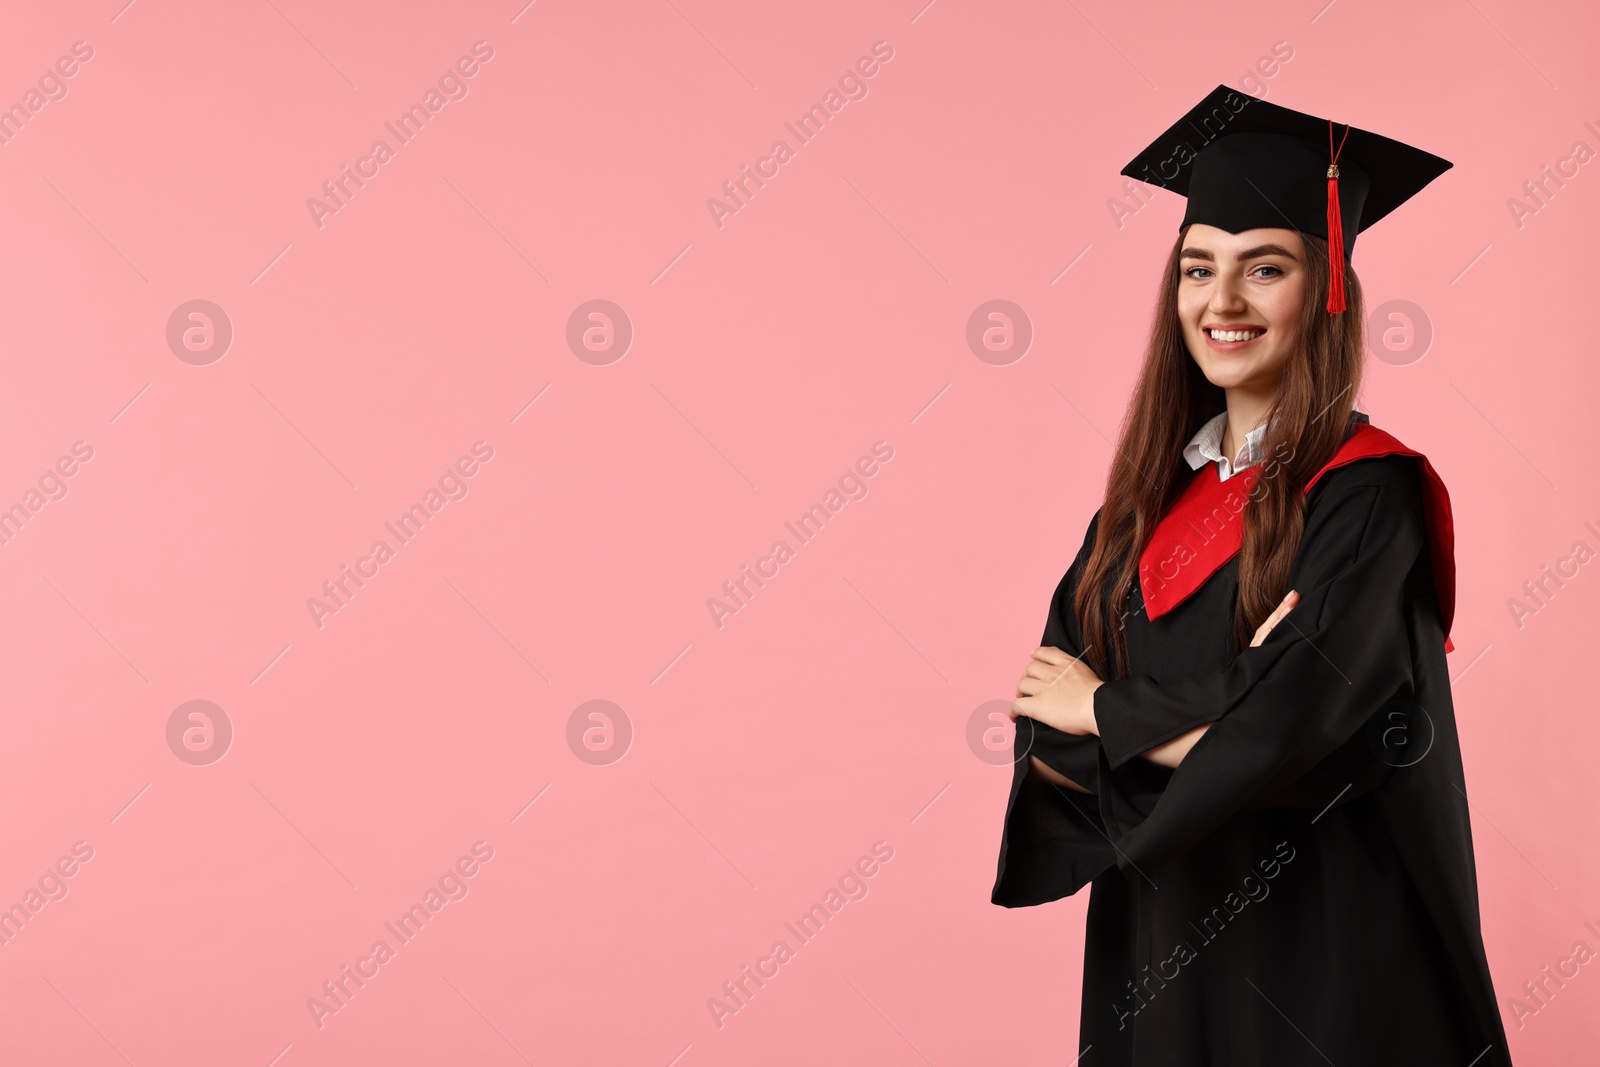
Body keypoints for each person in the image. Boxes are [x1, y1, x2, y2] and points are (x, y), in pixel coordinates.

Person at [991, 85, 1514, 1066]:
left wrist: (1108, 708)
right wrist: (1227, 703)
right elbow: (1041, 732)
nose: (1220, 303)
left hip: (1326, 948)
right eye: (1198, 269)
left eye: (1262, 267)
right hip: (1159, 951)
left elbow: (1299, 735)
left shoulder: (1366, 496)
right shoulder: (1130, 520)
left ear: (1324, 288)